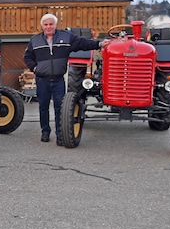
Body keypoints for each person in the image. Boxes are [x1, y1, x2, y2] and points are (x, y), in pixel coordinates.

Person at [23, 13, 111, 146]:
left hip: (58, 80)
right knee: (43, 107)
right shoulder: (35, 40)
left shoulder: (66, 37)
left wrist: (99, 44)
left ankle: (60, 135)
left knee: (60, 108)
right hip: (42, 80)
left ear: (55, 25)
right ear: (42, 26)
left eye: (51, 24)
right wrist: (35, 68)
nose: (48, 27)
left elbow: (83, 43)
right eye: (46, 25)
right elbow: (27, 57)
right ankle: (45, 132)